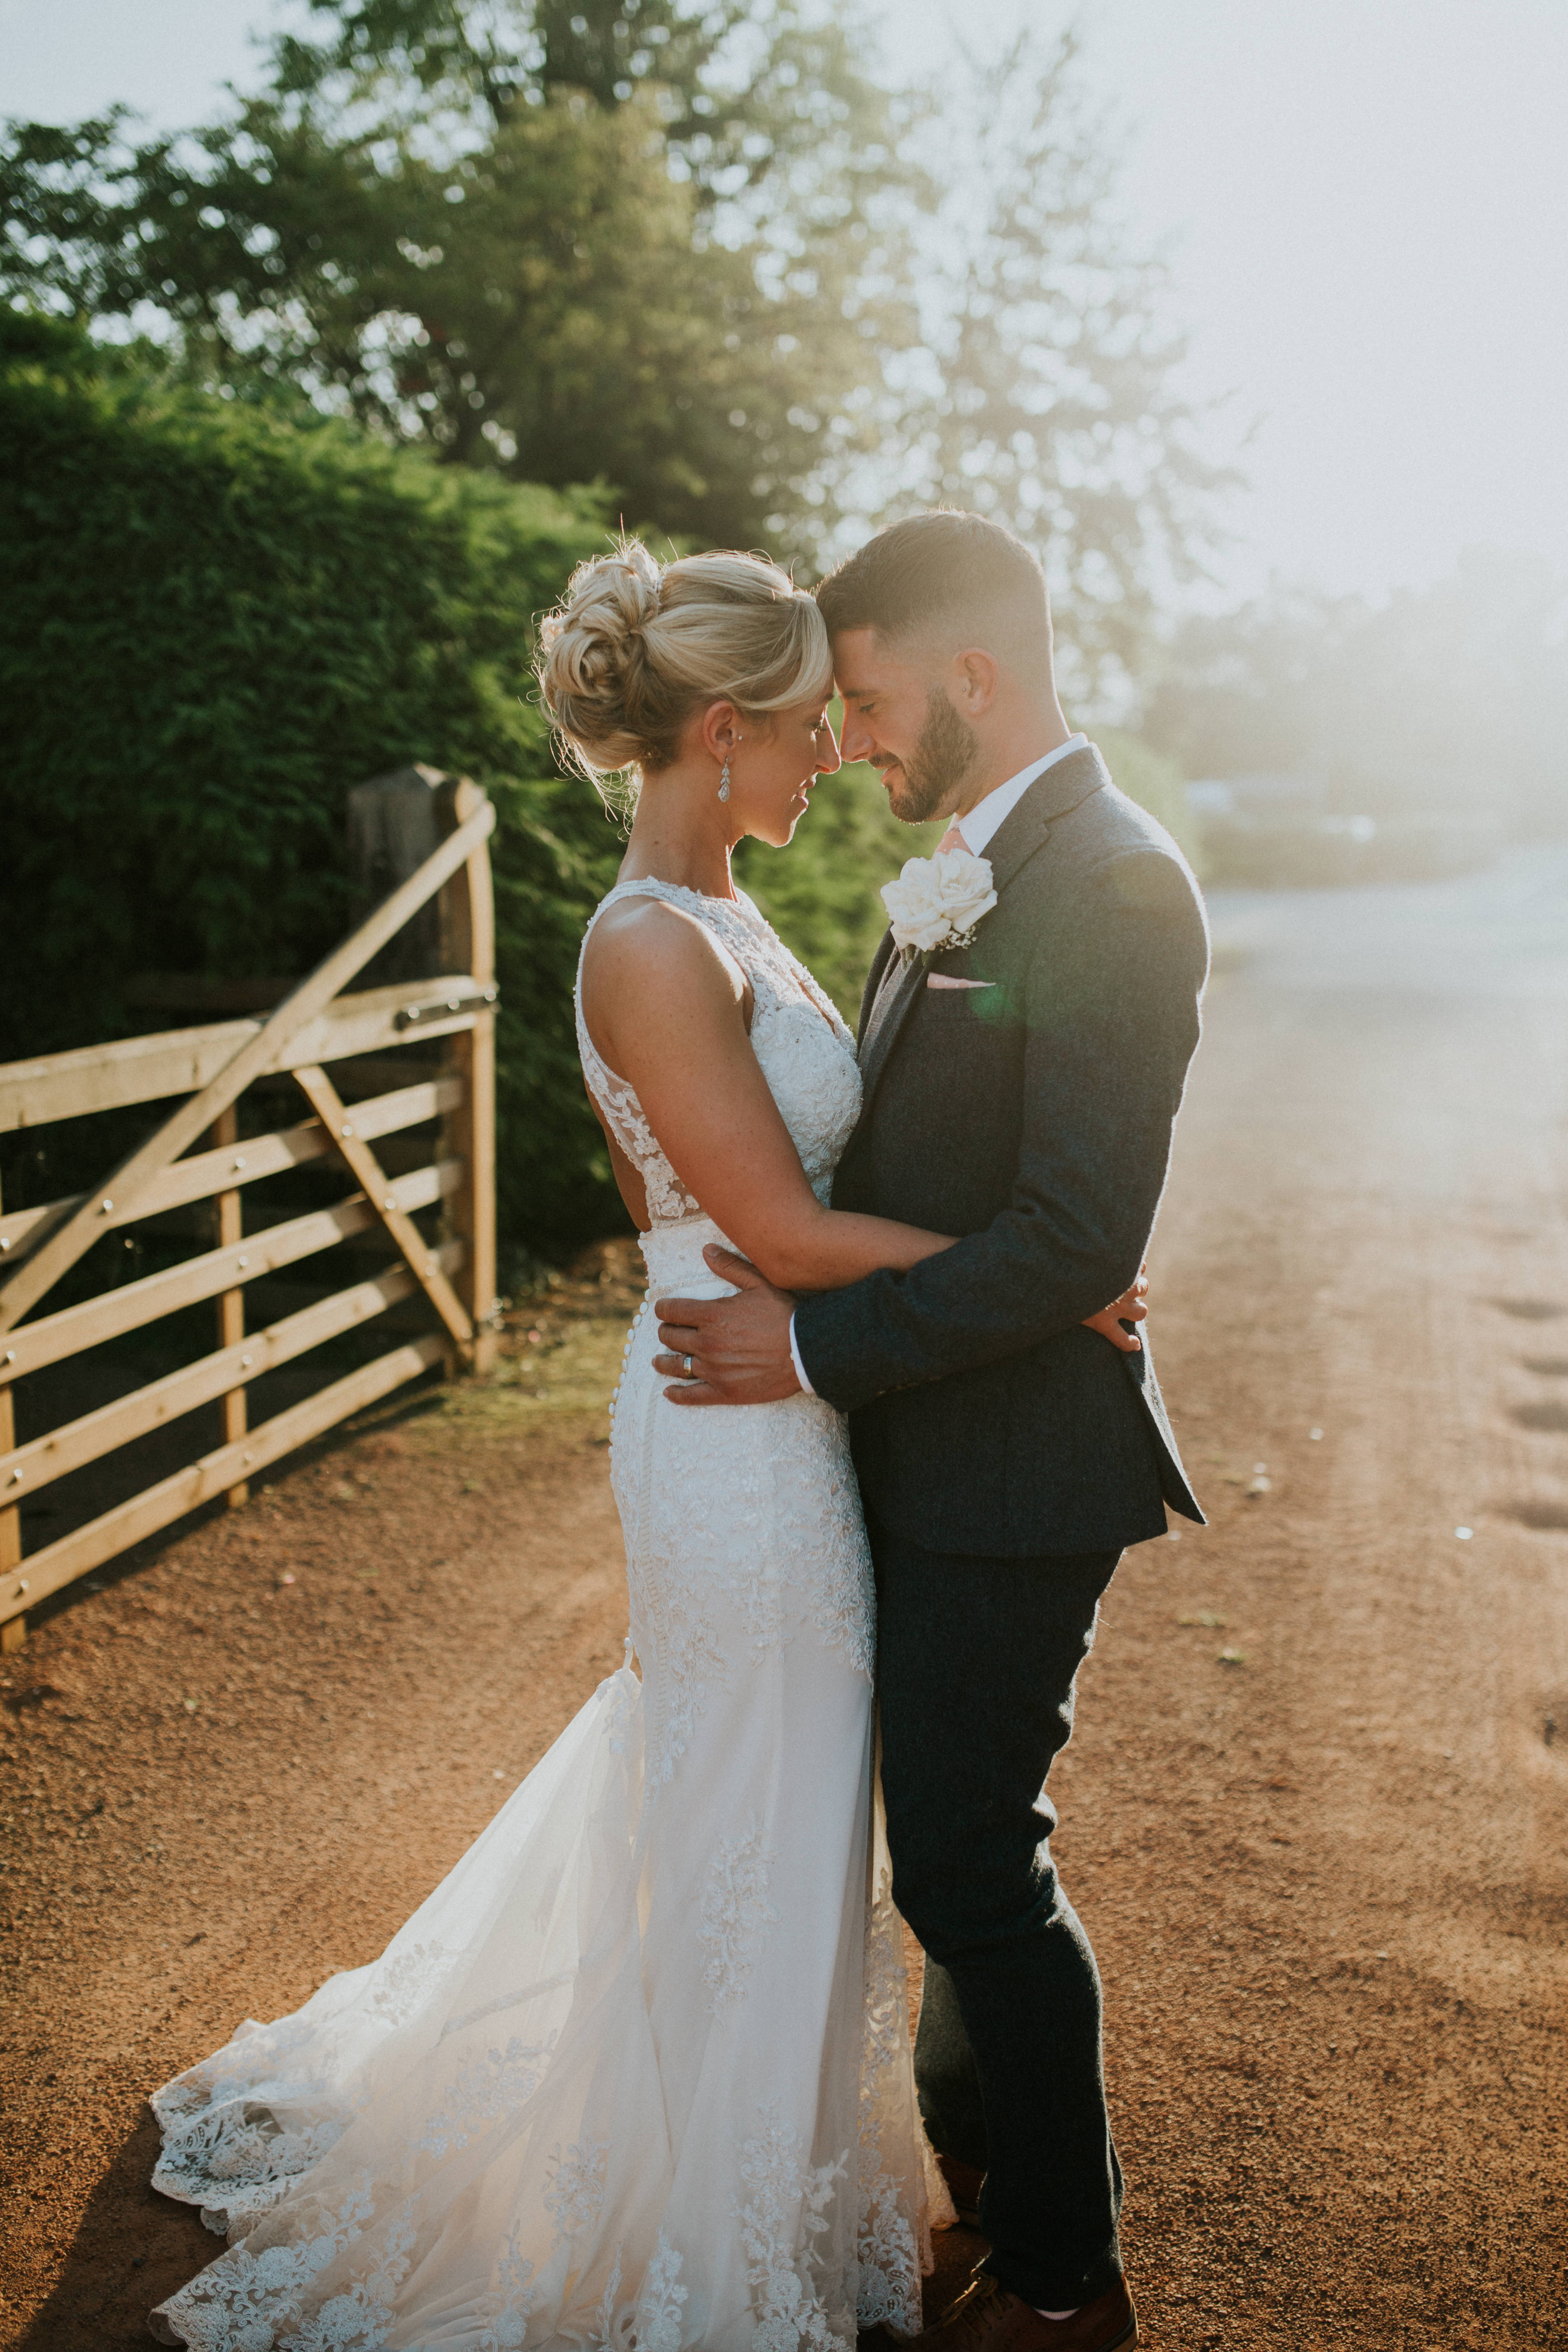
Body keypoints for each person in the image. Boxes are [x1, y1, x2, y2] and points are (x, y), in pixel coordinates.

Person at [144, 537, 1147, 2352]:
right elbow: (763, 1222)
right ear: (712, 729)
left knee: (788, 1791)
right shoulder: (642, 941)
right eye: (798, 724)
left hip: (787, 1392)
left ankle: (782, 2173)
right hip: (731, 1417)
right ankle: (704, 2207)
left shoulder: (733, 921)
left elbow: (737, 1184)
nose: (828, 751)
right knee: (752, 1786)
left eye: (845, 711)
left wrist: (947, 1277)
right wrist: (1048, 1279)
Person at [650, 513, 1209, 2352]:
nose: (855, 739)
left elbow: (1074, 1233)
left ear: (972, 674)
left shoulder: (1113, 885)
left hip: (1014, 1463)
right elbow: (933, 1176)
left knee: (974, 1861)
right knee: (947, 1852)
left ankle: (1057, 2270)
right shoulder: (969, 869)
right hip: (921, 1436)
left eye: (874, 698)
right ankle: (994, 2205)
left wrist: (810, 1344)